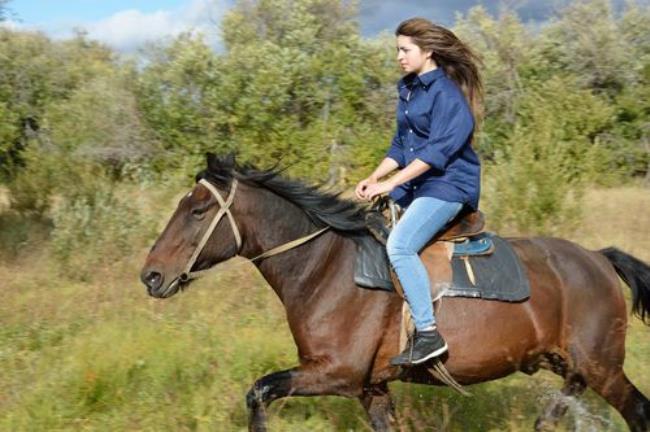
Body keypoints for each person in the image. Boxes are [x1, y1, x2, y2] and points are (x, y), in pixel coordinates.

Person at [355, 17, 483, 366]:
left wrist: (391, 183)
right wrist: (373, 177)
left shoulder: (448, 97)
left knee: (399, 246)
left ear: (428, 52)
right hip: (417, 185)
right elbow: (401, 145)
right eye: (397, 49)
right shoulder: (408, 89)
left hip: (448, 185)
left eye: (405, 50)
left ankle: (428, 333)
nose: (399, 56)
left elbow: (434, 154)